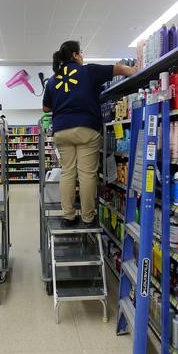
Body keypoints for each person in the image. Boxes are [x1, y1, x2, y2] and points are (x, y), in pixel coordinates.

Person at [43, 40, 138, 227]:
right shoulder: (88, 71)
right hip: (86, 128)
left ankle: (68, 216)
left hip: (61, 130)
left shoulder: (53, 80)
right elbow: (117, 69)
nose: (83, 56)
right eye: (81, 53)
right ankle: (87, 217)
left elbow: (46, 108)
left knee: (68, 173)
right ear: (75, 55)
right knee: (86, 174)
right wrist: (134, 70)